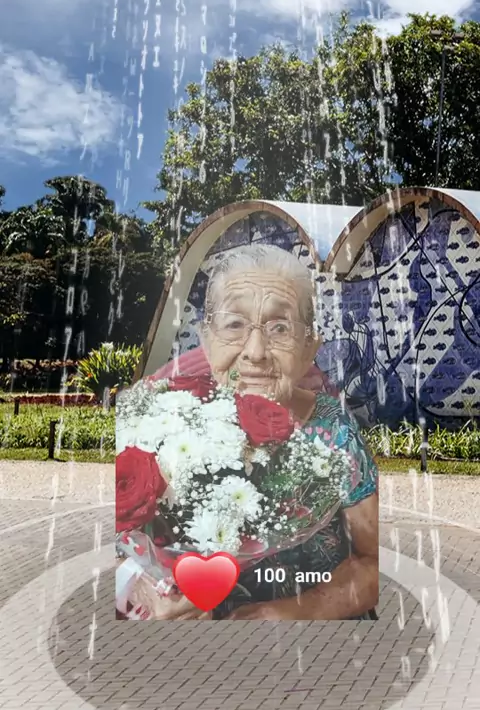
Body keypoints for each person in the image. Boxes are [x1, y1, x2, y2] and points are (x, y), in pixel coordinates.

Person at [131, 244, 378, 621]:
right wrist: (151, 587)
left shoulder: (334, 433)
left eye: (280, 327)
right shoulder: (166, 423)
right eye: (234, 324)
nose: (256, 351)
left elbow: (373, 564)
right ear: (206, 338)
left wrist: (283, 613)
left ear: (309, 346)